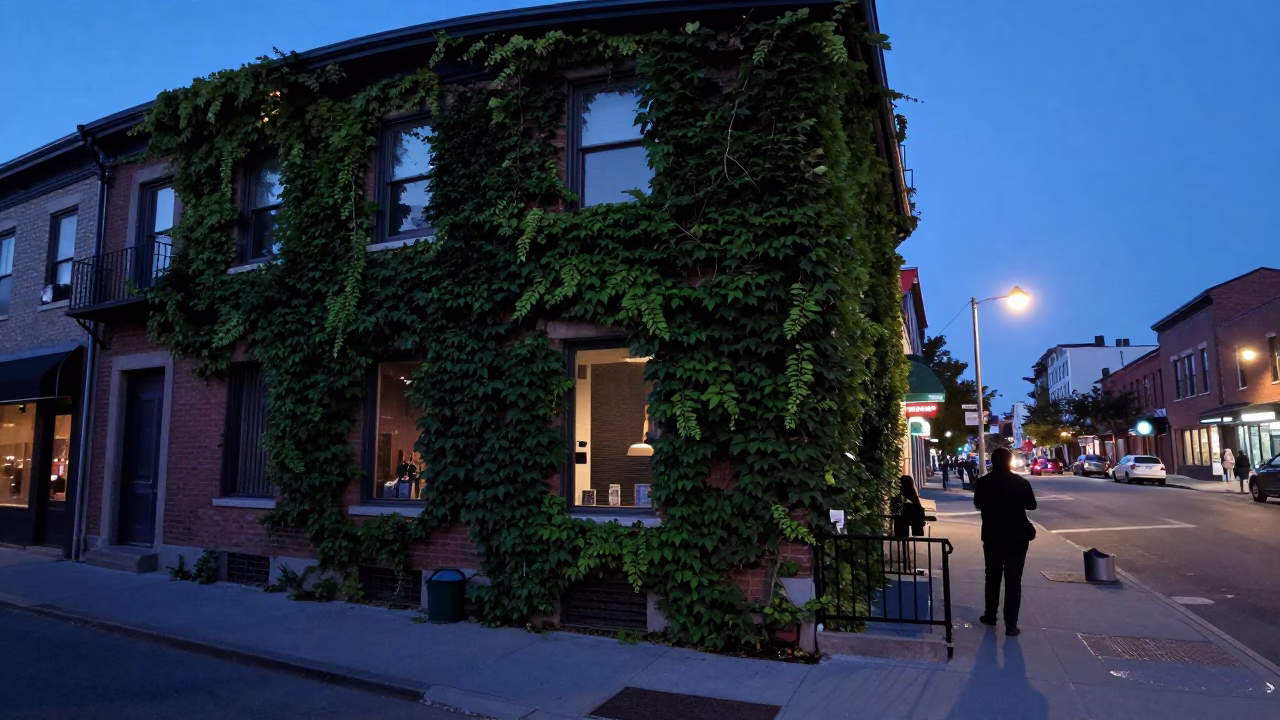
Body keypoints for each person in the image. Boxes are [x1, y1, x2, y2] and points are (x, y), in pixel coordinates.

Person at [973, 447, 1037, 636]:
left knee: (992, 577)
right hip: (1017, 537)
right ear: (1009, 462)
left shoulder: (983, 482)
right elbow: (1032, 505)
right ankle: (1011, 624)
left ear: (992, 462)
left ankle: (990, 614)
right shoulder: (1020, 482)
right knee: (1013, 580)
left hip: (993, 535)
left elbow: (978, 504)